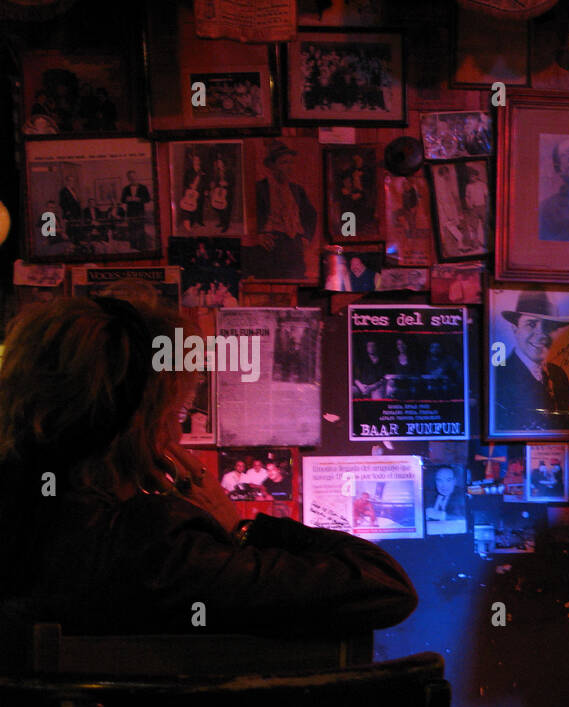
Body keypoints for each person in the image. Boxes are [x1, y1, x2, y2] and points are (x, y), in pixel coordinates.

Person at [0, 297, 416, 653]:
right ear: (136, 423)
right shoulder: (157, 550)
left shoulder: (23, 516)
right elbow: (385, 585)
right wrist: (241, 529)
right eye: (177, 414)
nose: (177, 433)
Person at [493, 291, 569, 433]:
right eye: (531, 324)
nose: (541, 335)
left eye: (549, 326)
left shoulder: (558, 374)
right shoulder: (500, 376)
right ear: (515, 329)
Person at [251, 140, 317, 280]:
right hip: (272, 245)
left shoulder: (297, 190)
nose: (289, 167)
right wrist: (257, 235)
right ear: (272, 166)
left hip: (294, 245)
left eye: (291, 163)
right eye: (284, 163)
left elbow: (311, 214)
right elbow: (248, 216)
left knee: (297, 280)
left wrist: (306, 237)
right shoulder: (261, 188)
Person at [120, 170, 151, 251]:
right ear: (128, 178)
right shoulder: (126, 188)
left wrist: (139, 199)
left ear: (137, 177)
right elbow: (122, 199)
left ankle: (142, 248)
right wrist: (127, 199)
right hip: (130, 213)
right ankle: (133, 249)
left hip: (140, 213)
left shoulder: (143, 187)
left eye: (133, 176)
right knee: (132, 231)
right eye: (130, 177)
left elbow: (148, 199)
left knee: (140, 230)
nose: (132, 178)